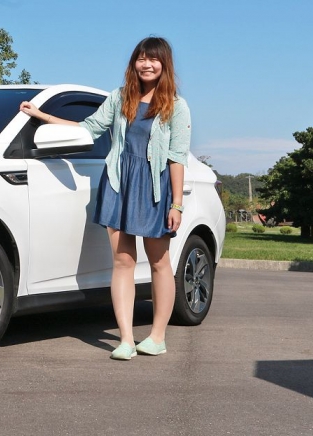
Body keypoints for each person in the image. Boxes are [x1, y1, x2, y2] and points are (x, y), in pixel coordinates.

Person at [19, 37, 191, 360]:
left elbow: (177, 158)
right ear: (134, 63)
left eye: (153, 59)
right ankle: (125, 339)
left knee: (159, 262)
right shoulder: (120, 97)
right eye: (141, 58)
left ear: (164, 64)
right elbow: (88, 128)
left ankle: (157, 337)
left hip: (153, 188)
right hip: (118, 183)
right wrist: (42, 116)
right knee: (123, 261)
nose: (146, 64)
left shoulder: (176, 106)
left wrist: (177, 204)